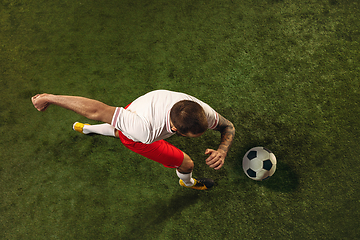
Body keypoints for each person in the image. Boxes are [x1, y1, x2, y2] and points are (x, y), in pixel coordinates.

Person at [31, 90, 235, 190]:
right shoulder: (145, 131)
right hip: (139, 130)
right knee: (187, 162)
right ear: (175, 129)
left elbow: (228, 126)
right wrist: (49, 97)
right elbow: (97, 110)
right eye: (196, 135)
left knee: (121, 124)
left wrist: (222, 150)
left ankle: (86, 129)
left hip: (136, 109)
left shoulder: (202, 110)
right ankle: (189, 184)